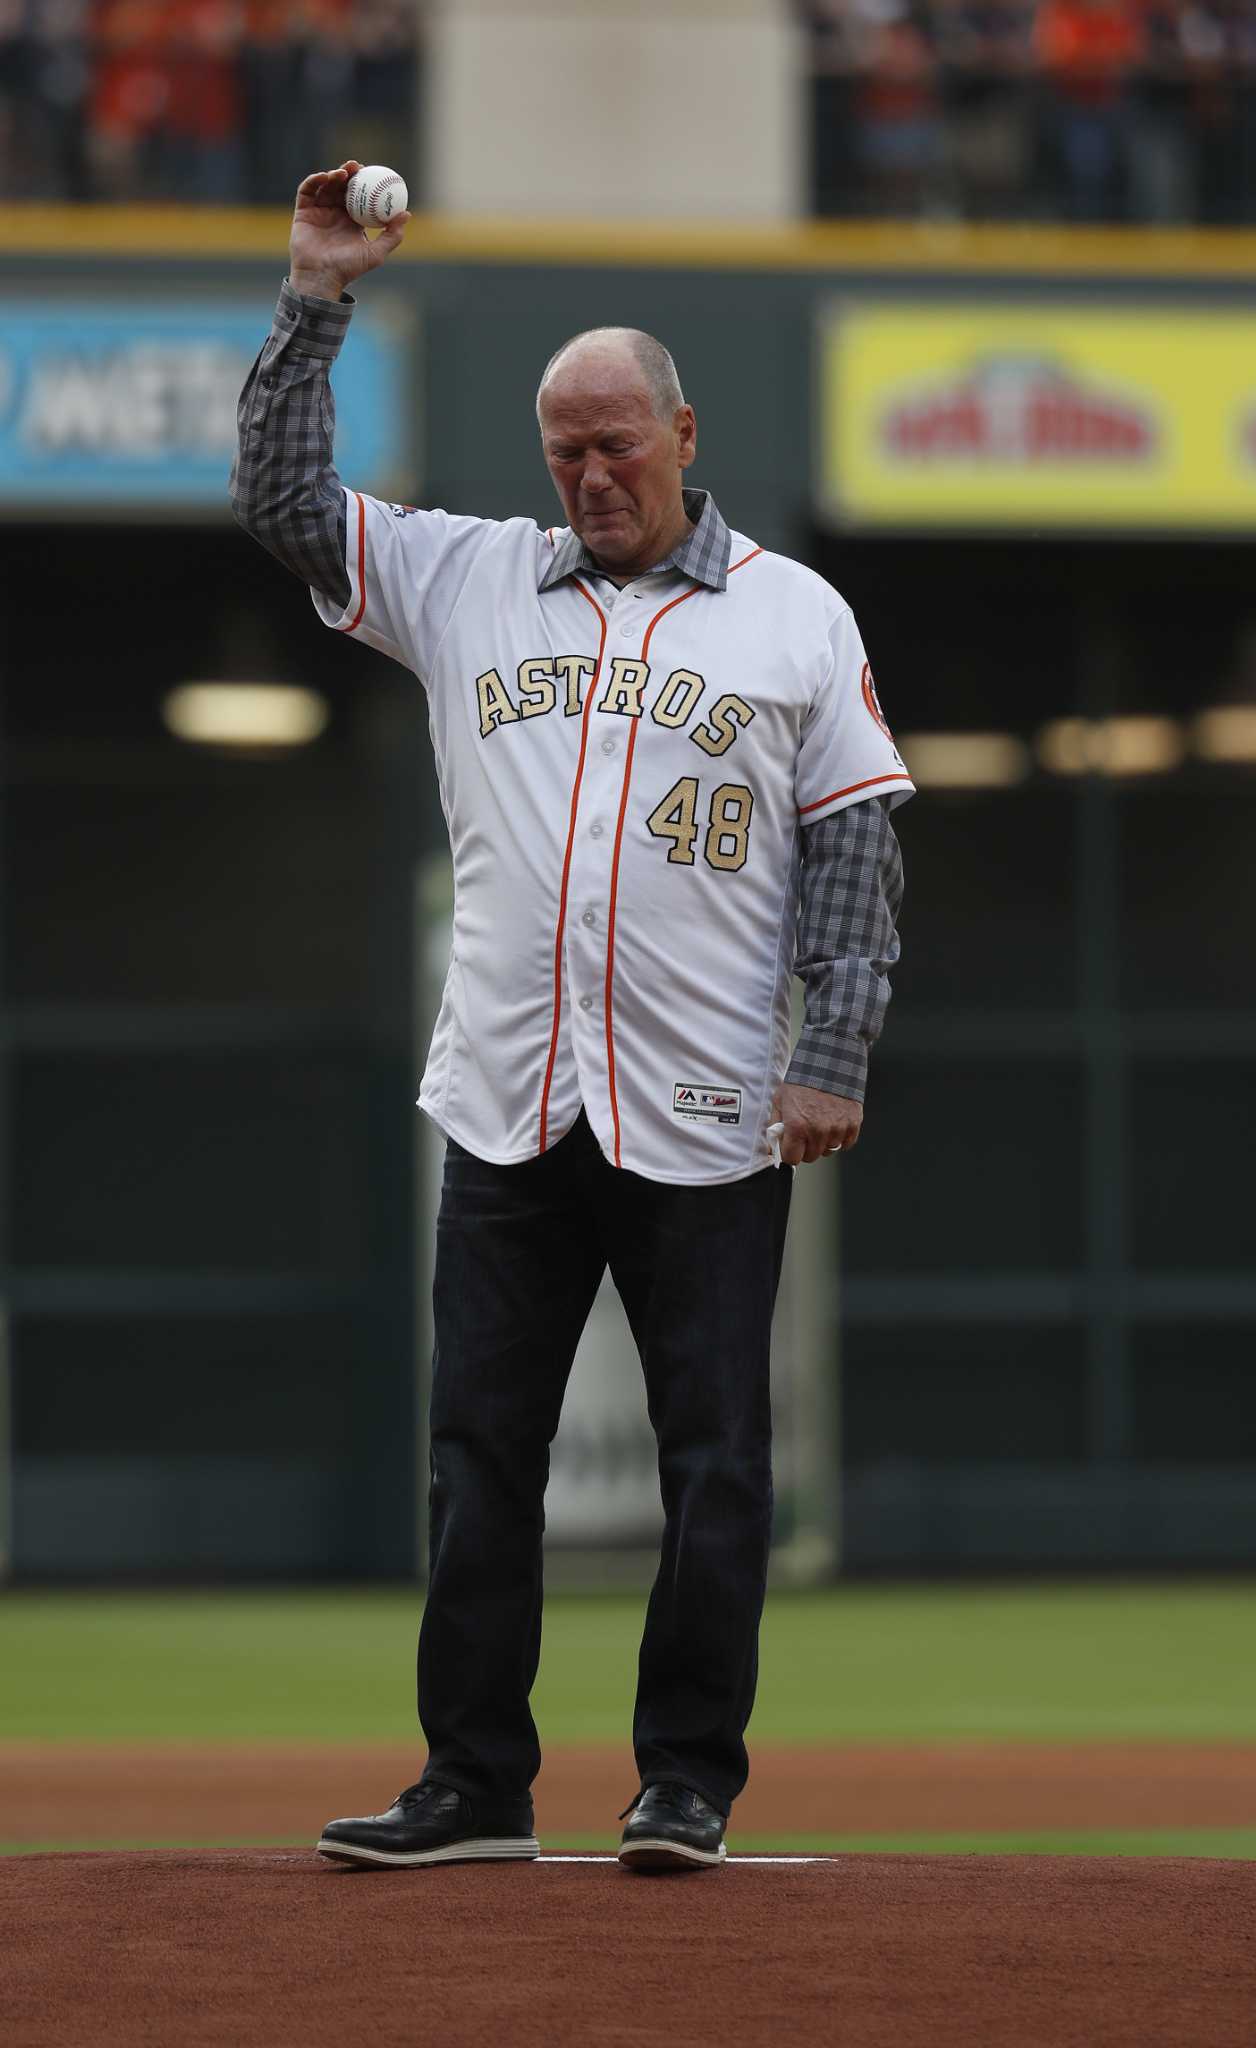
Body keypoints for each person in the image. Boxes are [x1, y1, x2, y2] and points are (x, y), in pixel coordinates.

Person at [230, 161, 911, 1875]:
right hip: (509, 1104)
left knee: (715, 1465)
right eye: (564, 450)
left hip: (703, 1107)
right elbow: (288, 502)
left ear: (683, 431)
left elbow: (853, 854)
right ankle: (471, 1784)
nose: (592, 475)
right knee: (477, 1460)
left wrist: (830, 1051)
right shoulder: (466, 577)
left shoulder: (792, 614)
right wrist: (316, 301)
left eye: (618, 443)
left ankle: (684, 1777)